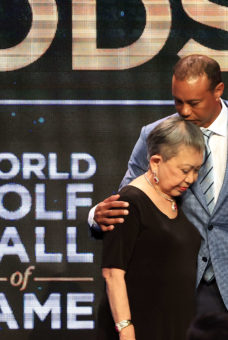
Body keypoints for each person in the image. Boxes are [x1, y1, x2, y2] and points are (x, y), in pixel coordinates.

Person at [89, 54, 228, 315]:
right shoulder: (156, 135)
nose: (184, 111)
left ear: (218, 91)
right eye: (178, 101)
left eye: (194, 102)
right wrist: (96, 216)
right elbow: (129, 200)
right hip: (175, 288)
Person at [98, 116, 204, 340]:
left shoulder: (178, 200)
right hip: (141, 329)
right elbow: (112, 273)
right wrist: (126, 329)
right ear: (156, 161)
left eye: (196, 170)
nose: (191, 179)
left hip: (177, 327)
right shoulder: (129, 202)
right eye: (185, 170)